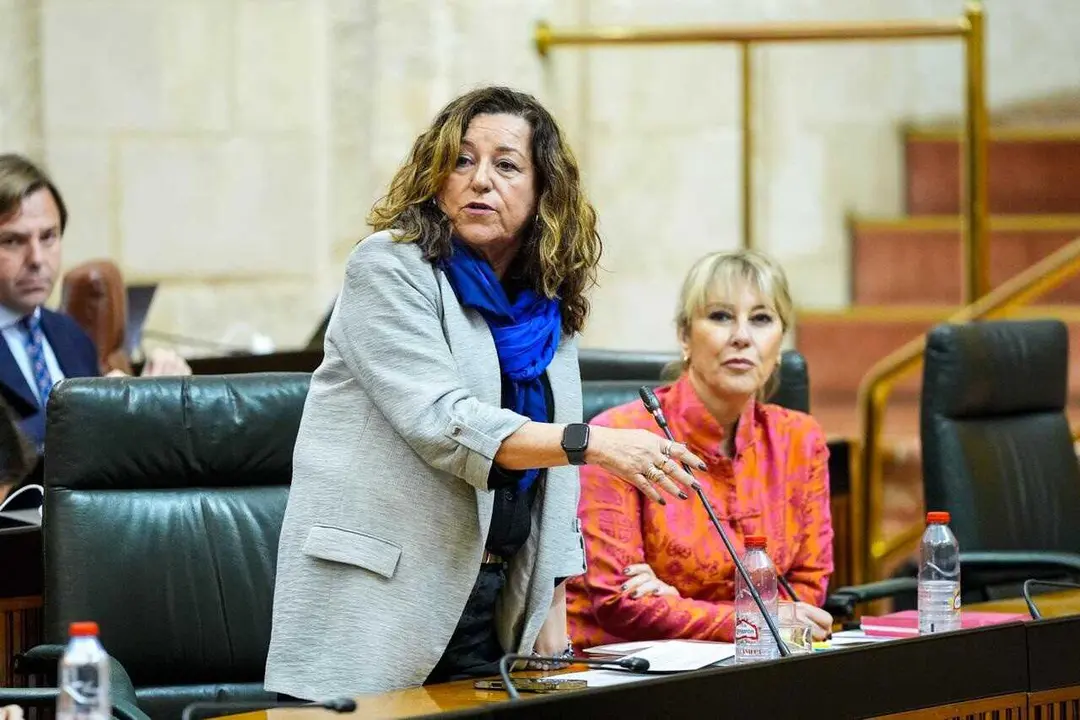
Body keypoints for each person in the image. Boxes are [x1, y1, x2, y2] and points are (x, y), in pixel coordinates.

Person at [265, 86, 706, 699]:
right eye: (462, 160)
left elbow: (555, 483)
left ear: (543, 191)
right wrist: (594, 443)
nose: (479, 180)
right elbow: (447, 425)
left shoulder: (547, 302)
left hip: (489, 607)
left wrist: (551, 612)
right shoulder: (388, 270)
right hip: (375, 599)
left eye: (505, 164)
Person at [567, 249, 835, 650]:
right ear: (684, 336)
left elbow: (805, 594)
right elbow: (622, 602)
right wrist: (751, 620)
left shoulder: (800, 438)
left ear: (780, 343)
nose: (742, 336)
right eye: (721, 316)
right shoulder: (618, 435)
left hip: (745, 666)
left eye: (761, 318)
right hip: (619, 669)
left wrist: (678, 606)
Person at [0, 154, 191, 453]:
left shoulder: (71, 335)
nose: (37, 259)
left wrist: (152, 402)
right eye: (13, 241)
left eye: (49, 237)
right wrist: (86, 409)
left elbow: (101, 449)